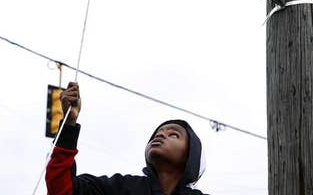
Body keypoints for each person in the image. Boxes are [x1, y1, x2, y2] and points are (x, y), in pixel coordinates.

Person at [46, 82, 208, 195]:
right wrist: (69, 124)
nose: (161, 134)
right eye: (158, 133)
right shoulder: (119, 188)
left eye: (174, 134)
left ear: (191, 155)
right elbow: (62, 190)